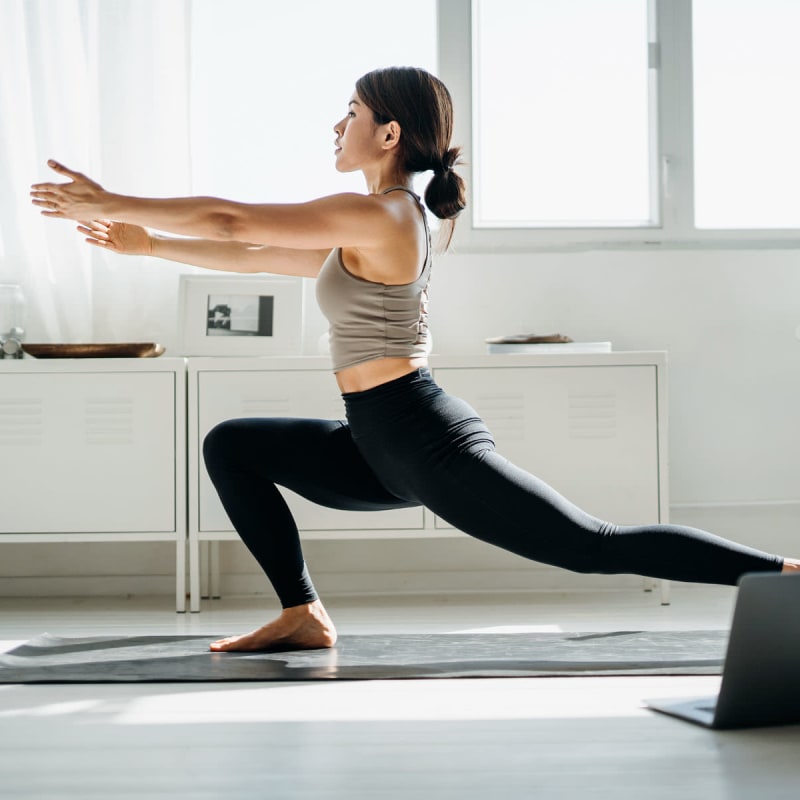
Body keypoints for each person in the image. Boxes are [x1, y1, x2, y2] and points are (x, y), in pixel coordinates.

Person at [31, 66, 800, 653]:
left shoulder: (388, 214)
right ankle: (303, 613)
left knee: (590, 548)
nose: (337, 126)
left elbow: (234, 221)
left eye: (353, 114)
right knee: (233, 444)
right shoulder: (374, 224)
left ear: (390, 133)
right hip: (376, 441)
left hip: (424, 439)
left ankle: (786, 576)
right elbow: (264, 255)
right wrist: (151, 244)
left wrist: (113, 202)